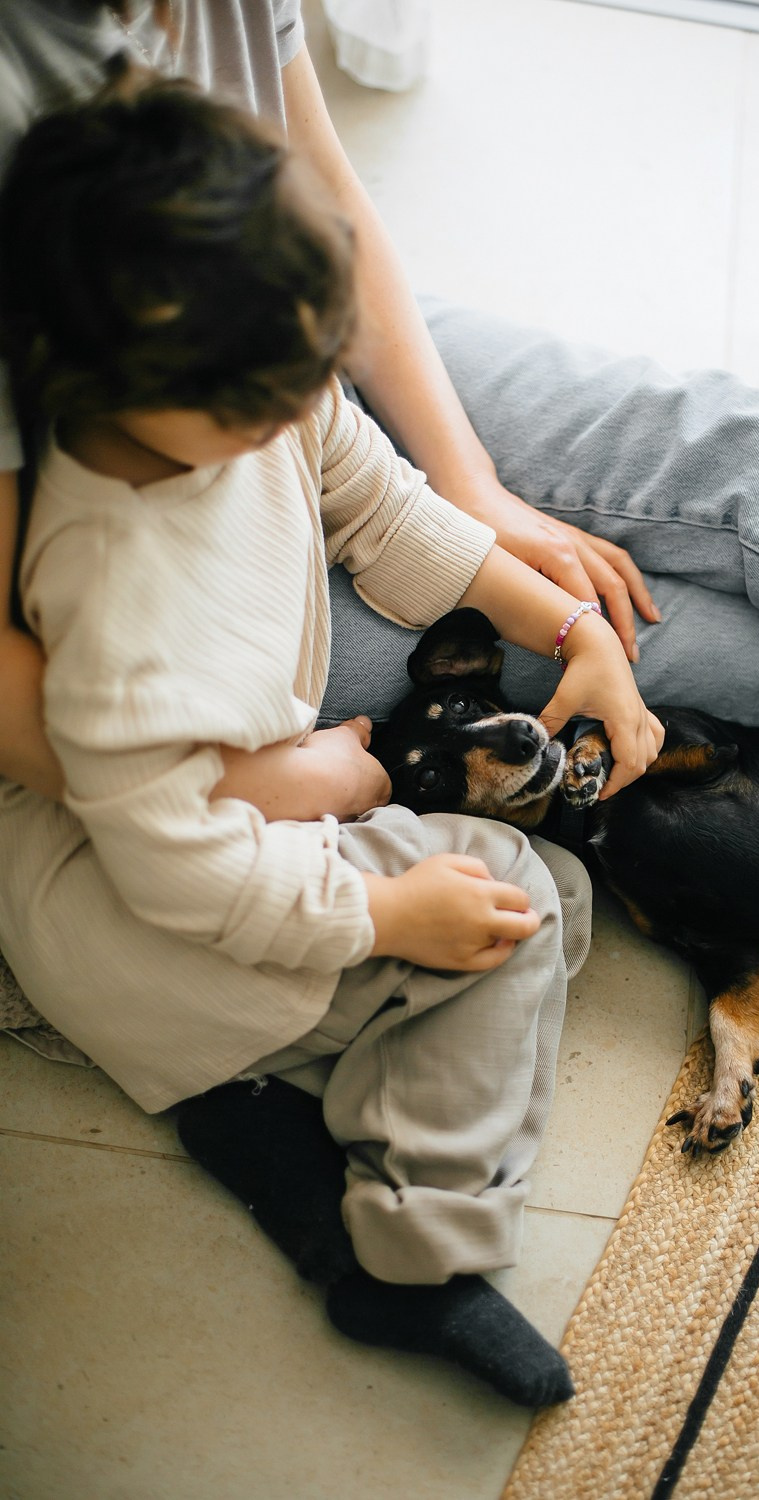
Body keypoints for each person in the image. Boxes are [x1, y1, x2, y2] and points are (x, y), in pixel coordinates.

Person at [0, 76, 671, 1405]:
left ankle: (254, 1111)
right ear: (114, 378)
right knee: (512, 905)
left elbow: (384, 507)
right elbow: (175, 866)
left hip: (209, 834)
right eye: (280, 390)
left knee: (553, 905)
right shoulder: (119, 588)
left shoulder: (251, 389)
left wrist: (567, 629)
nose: (314, 398)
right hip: (125, 899)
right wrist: (381, 913)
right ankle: (408, 1264)